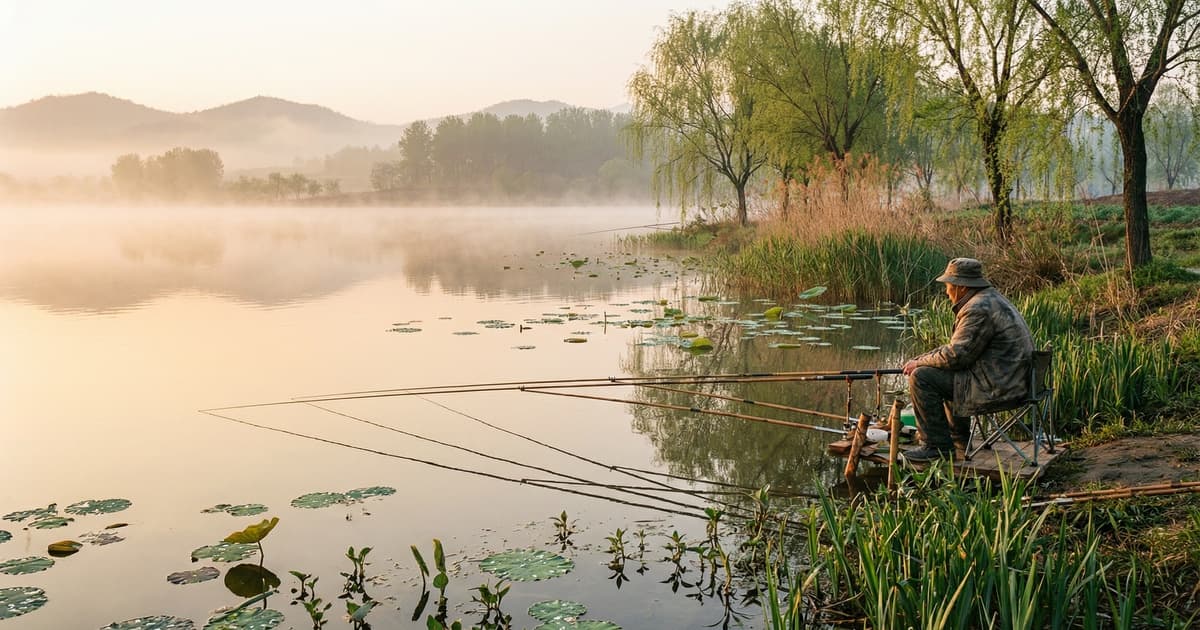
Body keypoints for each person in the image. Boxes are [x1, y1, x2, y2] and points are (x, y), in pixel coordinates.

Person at [900, 258, 1034, 462]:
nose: (946, 292)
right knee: (941, 372)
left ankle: (936, 446)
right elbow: (959, 351)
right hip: (1014, 381)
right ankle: (958, 438)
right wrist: (921, 358)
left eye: (948, 286)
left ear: (961, 287)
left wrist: (918, 364)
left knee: (922, 378)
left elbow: (956, 357)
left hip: (999, 387)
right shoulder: (991, 298)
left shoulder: (976, 309)